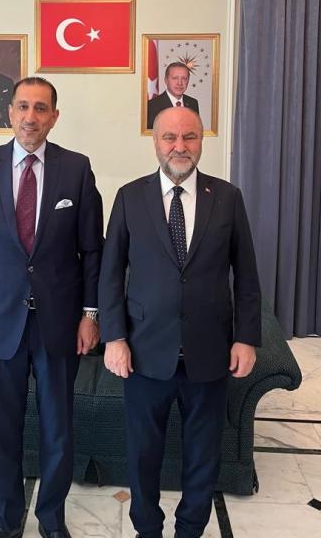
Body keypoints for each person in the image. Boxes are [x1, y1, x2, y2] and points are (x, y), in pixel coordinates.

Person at [0, 77, 104, 538]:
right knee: (3, 428)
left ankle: (52, 519)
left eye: (40, 108)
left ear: (54, 117)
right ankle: (6, 517)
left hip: (59, 322)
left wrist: (90, 315)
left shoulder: (76, 169)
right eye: (22, 107)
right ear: (10, 113)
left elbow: (92, 250)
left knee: (58, 428)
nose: (30, 117)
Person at [99, 106, 261, 538]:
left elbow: (247, 275)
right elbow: (110, 274)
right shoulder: (130, 197)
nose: (179, 146)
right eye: (169, 137)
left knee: (203, 455)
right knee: (143, 453)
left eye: (189, 137)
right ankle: (146, 529)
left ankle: (190, 529)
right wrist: (114, 337)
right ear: (155, 142)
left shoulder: (227, 197)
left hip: (209, 352)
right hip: (144, 351)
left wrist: (246, 338)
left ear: (201, 141)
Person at [147, 62, 199, 129]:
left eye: (184, 78)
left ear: (188, 81)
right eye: (175, 78)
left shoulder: (193, 103)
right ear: (166, 80)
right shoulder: (151, 106)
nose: (179, 83)